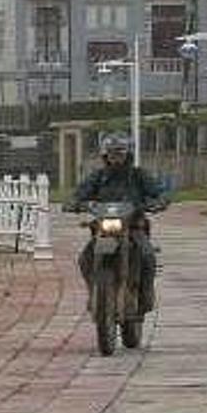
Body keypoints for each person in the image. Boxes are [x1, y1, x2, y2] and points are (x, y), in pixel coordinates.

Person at [67, 133, 168, 314]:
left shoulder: (138, 176)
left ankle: (146, 292)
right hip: (104, 229)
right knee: (84, 258)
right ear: (105, 156)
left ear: (128, 155)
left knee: (147, 255)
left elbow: (159, 191)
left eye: (120, 154)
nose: (116, 158)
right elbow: (79, 193)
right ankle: (94, 292)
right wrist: (74, 203)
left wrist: (158, 201)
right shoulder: (98, 177)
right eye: (112, 154)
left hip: (133, 227)